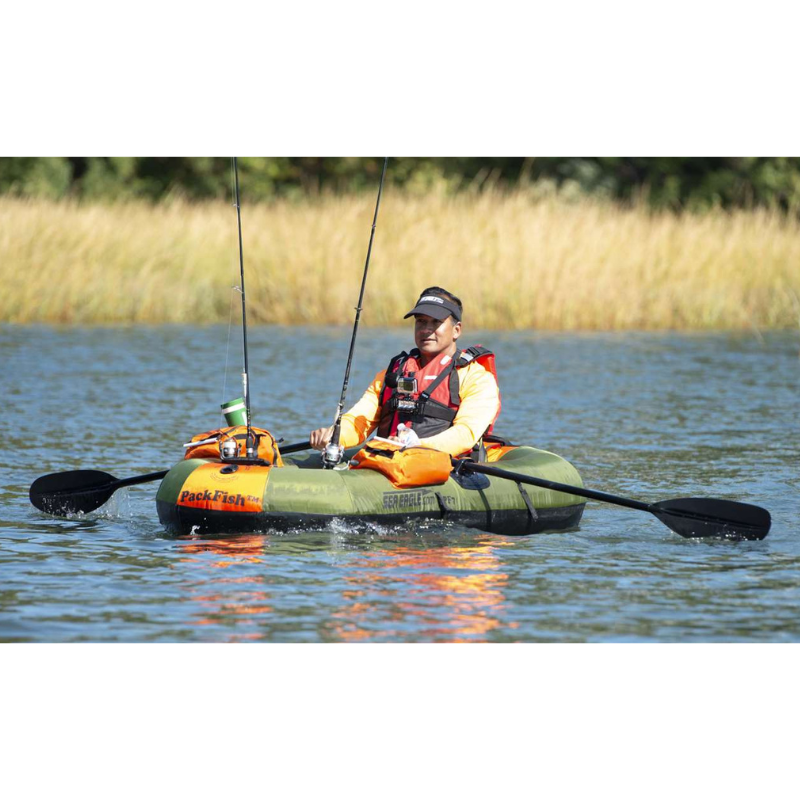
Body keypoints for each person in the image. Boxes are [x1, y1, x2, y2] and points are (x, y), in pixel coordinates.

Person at [309, 287, 501, 459]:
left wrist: (415, 445)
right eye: (421, 322)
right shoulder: (392, 373)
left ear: (456, 330)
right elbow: (360, 420)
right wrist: (335, 435)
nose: (426, 329)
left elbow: (465, 433)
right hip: (388, 463)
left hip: (445, 468)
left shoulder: (476, 378)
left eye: (436, 322)